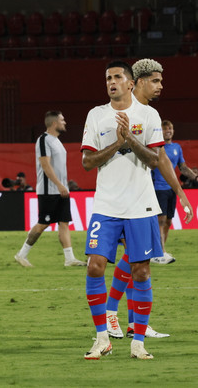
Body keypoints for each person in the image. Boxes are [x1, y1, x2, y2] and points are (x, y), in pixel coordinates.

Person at [105, 58, 193, 340]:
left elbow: (162, 158)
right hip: (121, 198)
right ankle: (112, 315)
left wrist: (180, 193)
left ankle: (132, 323)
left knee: (136, 260)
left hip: (142, 196)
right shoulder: (119, 110)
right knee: (135, 258)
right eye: (155, 81)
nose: (160, 86)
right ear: (139, 82)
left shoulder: (150, 114)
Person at [81, 61, 164, 360]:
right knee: (94, 266)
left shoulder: (147, 114)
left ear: (131, 83)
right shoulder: (97, 115)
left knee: (140, 272)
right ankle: (102, 338)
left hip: (140, 205)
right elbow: (88, 163)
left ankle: (138, 342)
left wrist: (130, 139)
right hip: (106, 205)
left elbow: (154, 160)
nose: (111, 82)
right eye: (107, 78)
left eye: (117, 77)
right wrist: (118, 143)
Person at [14, 110, 86, 268]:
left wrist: (63, 185)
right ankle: (21, 254)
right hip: (49, 190)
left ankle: (69, 259)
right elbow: (45, 165)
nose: (65, 122)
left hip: (61, 190)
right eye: (62, 120)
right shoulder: (43, 140)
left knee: (64, 223)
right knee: (42, 224)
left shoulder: (57, 141)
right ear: (54, 123)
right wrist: (59, 185)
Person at [151, 120, 198, 263]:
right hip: (158, 188)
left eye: (170, 128)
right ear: (160, 132)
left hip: (172, 189)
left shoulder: (177, 147)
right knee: (161, 220)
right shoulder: (156, 147)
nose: (168, 131)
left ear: (173, 130)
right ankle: (159, 252)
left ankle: (162, 251)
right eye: (165, 129)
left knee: (169, 221)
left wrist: (195, 177)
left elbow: (182, 167)